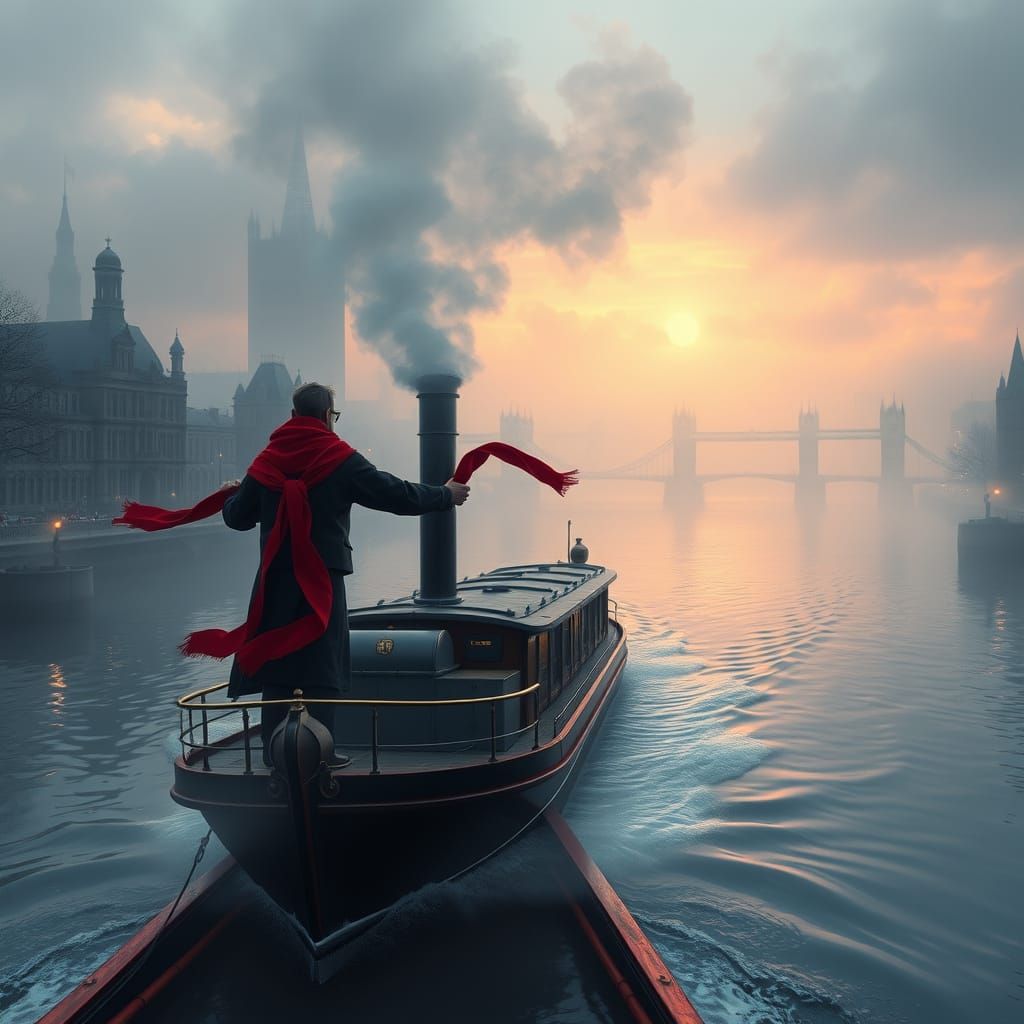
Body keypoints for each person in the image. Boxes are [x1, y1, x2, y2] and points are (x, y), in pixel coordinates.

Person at [220, 382, 470, 763]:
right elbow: (396, 495)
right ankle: (322, 754)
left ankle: (274, 755)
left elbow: (238, 517)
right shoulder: (339, 459)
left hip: (274, 582)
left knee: (277, 663)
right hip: (322, 579)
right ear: (327, 417)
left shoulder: (267, 462)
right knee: (323, 663)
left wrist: (232, 495)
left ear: (292, 416)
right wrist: (445, 495)